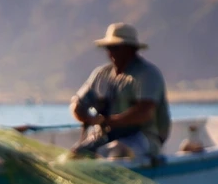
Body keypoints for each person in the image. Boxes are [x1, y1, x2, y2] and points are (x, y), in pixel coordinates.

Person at [70, 23, 170, 164]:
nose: (111, 52)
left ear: (131, 49)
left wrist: (109, 121)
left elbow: (144, 112)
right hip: (105, 137)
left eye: (116, 48)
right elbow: (77, 104)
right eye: (109, 48)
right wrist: (87, 117)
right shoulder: (101, 74)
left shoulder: (147, 74)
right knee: (76, 155)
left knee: (116, 151)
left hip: (144, 137)